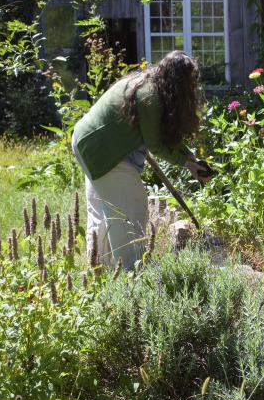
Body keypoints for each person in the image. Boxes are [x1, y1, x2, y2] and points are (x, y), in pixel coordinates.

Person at [72, 50, 209, 270]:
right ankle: (131, 272)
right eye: (190, 81)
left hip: (87, 143)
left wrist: (190, 158)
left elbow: (161, 137)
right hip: (104, 153)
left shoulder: (147, 84)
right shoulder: (149, 96)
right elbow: (155, 145)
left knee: (102, 213)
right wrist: (186, 164)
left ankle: (100, 270)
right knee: (131, 212)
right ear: (179, 82)